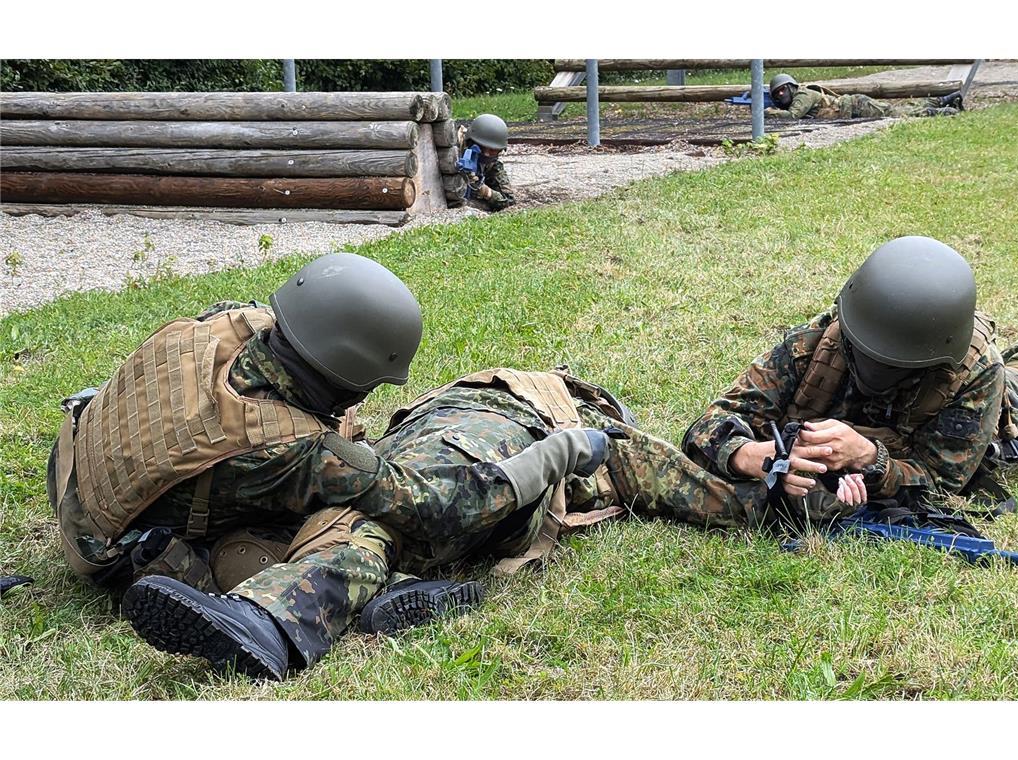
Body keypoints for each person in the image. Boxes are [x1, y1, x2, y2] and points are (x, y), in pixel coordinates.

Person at [118, 365, 815, 680]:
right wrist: (781, 503)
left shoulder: (546, 417)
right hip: (489, 478)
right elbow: (695, 491)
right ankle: (392, 593)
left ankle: (269, 618)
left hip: (443, 468)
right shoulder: (597, 431)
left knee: (365, 525)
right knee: (383, 528)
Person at [47, 252, 505, 679]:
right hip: (119, 556)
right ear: (351, 376)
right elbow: (431, 507)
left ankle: (397, 592)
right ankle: (289, 610)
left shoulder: (225, 323)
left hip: (75, 479)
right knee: (350, 526)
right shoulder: (292, 448)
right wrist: (549, 460)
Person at [682, 236, 1018, 524]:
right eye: (867, 353)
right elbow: (716, 421)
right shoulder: (815, 344)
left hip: (1000, 408)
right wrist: (749, 456)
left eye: (897, 363)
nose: (877, 369)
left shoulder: (972, 374)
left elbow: (942, 483)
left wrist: (870, 459)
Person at [764, 73, 963, 121]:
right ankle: (942, 100)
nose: (781, 95)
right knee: (901, 110)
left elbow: (792, 116)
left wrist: (768, 113)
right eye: (777, 94)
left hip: (857, 106)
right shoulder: (801, 95)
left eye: (782, 90)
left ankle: (944, 109)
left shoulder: (803, 95)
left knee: (901, 114)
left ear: (791, 86)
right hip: (855, 107)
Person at [456, 113, 515, 212]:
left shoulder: (492, 164)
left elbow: (509, 200)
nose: (487, 154)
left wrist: (485, 191)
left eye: (493, 150)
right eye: (482, 147)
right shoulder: (453, 150)